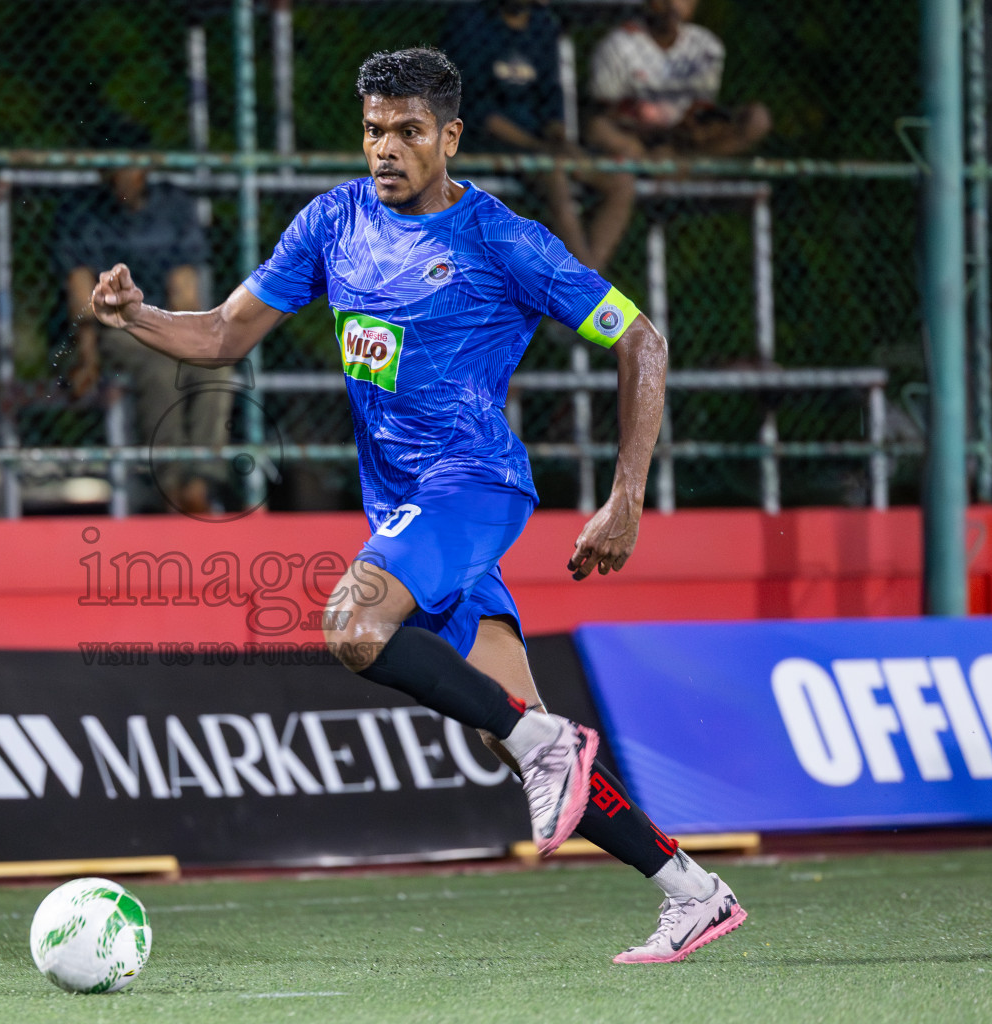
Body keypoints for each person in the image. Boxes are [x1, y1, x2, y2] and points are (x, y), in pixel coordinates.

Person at [88, 47, 747, 964]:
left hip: (473, 484)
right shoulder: (333, 221)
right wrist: (138, 317)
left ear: (450, 137)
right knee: (512, 736)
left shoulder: (503, 240)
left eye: (407, 131)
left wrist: (624, 496)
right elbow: (225, 333)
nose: (385, 148)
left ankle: (547, 745)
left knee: (353, 625)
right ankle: (694, 892)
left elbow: (642, 339)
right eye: (373, 130)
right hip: (406, 509)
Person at [54, 136, 230, 515]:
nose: (125, 175)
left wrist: (189, 339)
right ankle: (171, 485)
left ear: (146, 167)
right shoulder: (82, 213)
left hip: (163, 323)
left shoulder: (172, 207)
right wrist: (87, 356)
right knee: (160, 368)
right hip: (115, 327)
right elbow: (83, 299)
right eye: (116, 166)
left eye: (131, 164)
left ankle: (199, 481)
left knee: (216, 365)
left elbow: (185, 293)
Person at [446, 0, 634, 273]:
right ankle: (585, 285)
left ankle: (585, 280)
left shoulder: (543, 26)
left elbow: (551, 102)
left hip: (543, 146)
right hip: (492, 143)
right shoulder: (471, 23)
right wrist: (537, 146)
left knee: (620, 181)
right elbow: (477, 112)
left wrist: (558, 139)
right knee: (555, 173)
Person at [586, 0, 771, 160]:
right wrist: (649, 125)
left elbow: (702, 106)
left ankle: (691, 165)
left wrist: (695, 127)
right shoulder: (618, 44)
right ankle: (660, 167)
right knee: (600, 130)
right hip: (639, 137)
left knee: (757, 119)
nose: (673, 4)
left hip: (686, 138)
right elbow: (606, 112)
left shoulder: (706, 45)